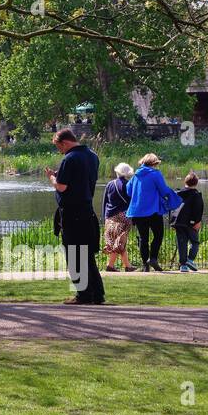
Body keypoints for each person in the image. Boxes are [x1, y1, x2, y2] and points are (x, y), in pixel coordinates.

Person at [46, 129, 104, 305]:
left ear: (64, 142)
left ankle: (83, 295)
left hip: (72, 213)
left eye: (58, 147)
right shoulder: (93, 156)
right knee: (87, 256)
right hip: (87, 210)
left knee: (74, 255)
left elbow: (62, 187)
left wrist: (52, 178)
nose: (60, 151)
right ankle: (97, 294)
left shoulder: (69, 158)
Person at [125, 153, 181, 272]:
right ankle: (153, 258)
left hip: (138, 212)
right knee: (158, 235)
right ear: (154, 163)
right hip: (153, 210)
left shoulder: (135, 175)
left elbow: (128, 191)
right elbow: (163, 190)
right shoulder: (155, 174)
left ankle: (145, 264)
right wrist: (173, 196)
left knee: (143, 238)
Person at [102, 163, 136, 272]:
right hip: (123, 216)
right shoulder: (128, 185)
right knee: (120, 241)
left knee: (115, 241)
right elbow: (132, 202)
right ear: (128, 173)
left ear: (117, 172)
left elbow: (105, 202)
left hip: (110, 216)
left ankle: (126, 266)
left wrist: (105, 216)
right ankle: (112, 266)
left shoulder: (110, 184)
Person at [173, 173, 205, 272]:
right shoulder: (196, 195)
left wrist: (173, 221)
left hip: (179, 222)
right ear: (196, 183)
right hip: (191, 223)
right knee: (195, 242)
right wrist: (198, 221)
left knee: (181, 244)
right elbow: (199, 209)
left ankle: (183, 265)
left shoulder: (177, 193)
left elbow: (173, 207)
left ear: (185, 181)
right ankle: (190, 259)